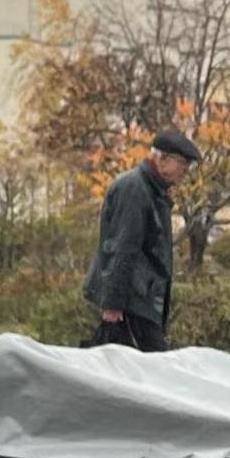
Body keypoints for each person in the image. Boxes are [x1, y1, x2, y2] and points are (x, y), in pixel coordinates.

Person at [86, 128, 198, 350]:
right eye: (182, 163)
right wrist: (113, 305)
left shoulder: (154, 191)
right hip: (131, 303)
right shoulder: (135, 189)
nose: (185, 170)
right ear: (162, 159)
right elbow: (121, 247)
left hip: (141, 300)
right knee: (151, 368)